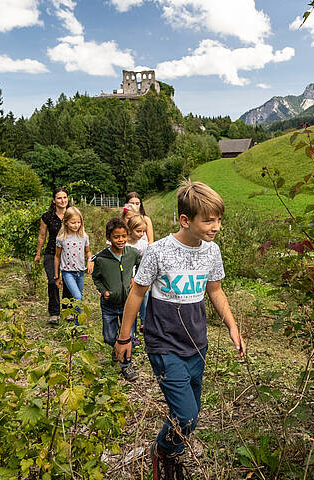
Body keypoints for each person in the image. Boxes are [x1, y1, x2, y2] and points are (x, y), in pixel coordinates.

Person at [114, 180, 246, 479]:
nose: (216, 227)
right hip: (164, 343)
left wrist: (232, 326)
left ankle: (173, 451)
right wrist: (125, 338)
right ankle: (162, 452)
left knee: (191, 415)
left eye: (219, 220)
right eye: (209, 220)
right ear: (185, 220)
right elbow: (136, 293)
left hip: (197, 343)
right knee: (186, 415)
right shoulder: (158, 252)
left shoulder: (212, 252)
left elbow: (215, 290)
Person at [91, 218, 142, 382]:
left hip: (129, 303)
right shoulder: (101, 258)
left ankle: (126, 366)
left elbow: (142, 265)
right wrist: (103, 290)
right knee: (109, 336)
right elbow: (96, 277)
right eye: (116, 237)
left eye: (123, 236)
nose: (120, 240)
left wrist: (136, 278)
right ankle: (115, 348)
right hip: (109, 305)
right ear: (109, 237)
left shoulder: (132, 253)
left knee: (129, 336)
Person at [35, 188, 73, 325]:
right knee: (53, 281)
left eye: (64, 197)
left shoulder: (72, 214)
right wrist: (38, 253)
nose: (62, 200)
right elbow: (42, 235)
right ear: (54, 200)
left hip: (69, 252)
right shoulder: (47, 216)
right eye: (59, 198)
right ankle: (54, 312)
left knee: (68, 281)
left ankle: (68, 310)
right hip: (51, 252)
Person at [54, 206, 93, 329]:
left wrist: (90, 260)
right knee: (77, 297)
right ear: (66, 222)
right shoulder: (61, 238)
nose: (76, 225)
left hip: (80, 272)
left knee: (78, 300)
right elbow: (57, 257)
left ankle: (76, 327)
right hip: (67, 272)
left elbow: (88, 252)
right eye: (73, 222)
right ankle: (79, 325)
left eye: (78, 222)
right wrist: (57, 276)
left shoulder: (83, 237)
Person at [126, 214, 150, 343]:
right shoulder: (124, 245)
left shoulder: (143, 244)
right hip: (128, 280)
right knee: (131, 306)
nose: (141, 234)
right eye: (138, 231)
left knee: (145, 299)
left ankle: (145, 323)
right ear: (130, 229)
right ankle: (131, 334)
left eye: (143, 231)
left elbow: (145, 263)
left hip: (140, 279)